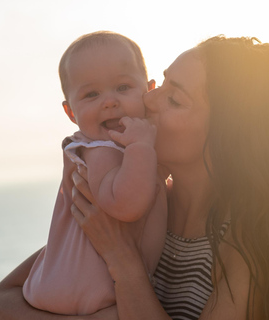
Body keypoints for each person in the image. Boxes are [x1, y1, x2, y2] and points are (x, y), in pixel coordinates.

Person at [0, 35, 269, 320]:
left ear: (227, 133)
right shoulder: (138, 204)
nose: (148, 101)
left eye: (174, 99)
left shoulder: (250, 244)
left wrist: (122, 261)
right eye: (160, 84)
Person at [22, 31, 167, 315]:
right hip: (86, 291)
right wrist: (141, 146)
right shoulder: (101, 150)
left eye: (123, 87)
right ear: (71, 112)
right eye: (91, 94)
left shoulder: (118, 147)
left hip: (64, 286)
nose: (109, 101)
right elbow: (126, 205)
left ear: (148, 91)